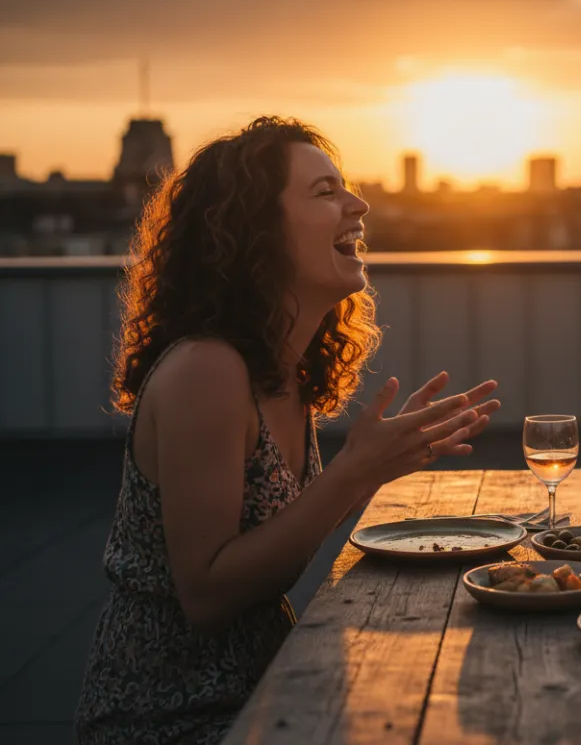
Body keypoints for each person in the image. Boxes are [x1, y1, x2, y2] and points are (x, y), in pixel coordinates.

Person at [75, 117, 501, 745]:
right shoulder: (207, 370)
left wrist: (374, 469)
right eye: (325, 192)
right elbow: (208, 594)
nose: (357, 204)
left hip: (265, 686)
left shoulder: (279, 373)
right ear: (256, 232)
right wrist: (354, 472)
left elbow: (277, 535)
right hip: (174, 718)